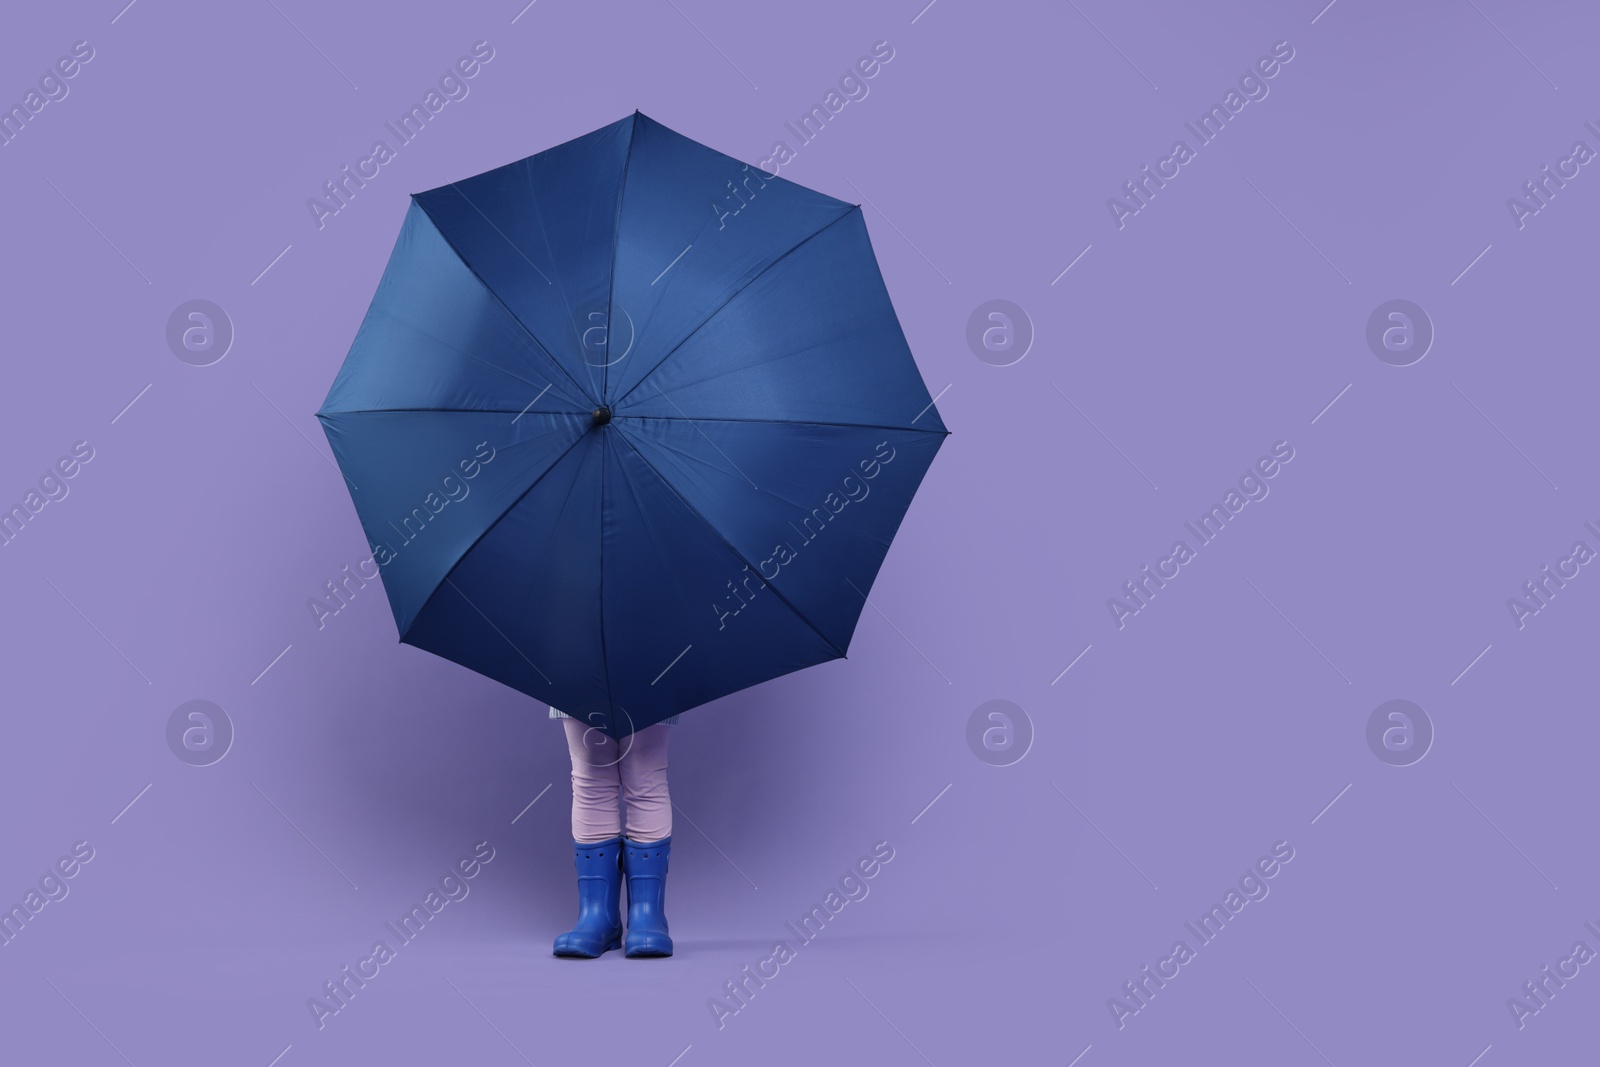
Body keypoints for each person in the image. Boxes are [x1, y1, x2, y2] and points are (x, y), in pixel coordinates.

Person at [549, 705, 678, 958]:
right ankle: (597, 916)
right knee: (590, 776)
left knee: (646, 778)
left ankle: (647, 915)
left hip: (649, 669)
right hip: (578, 669)